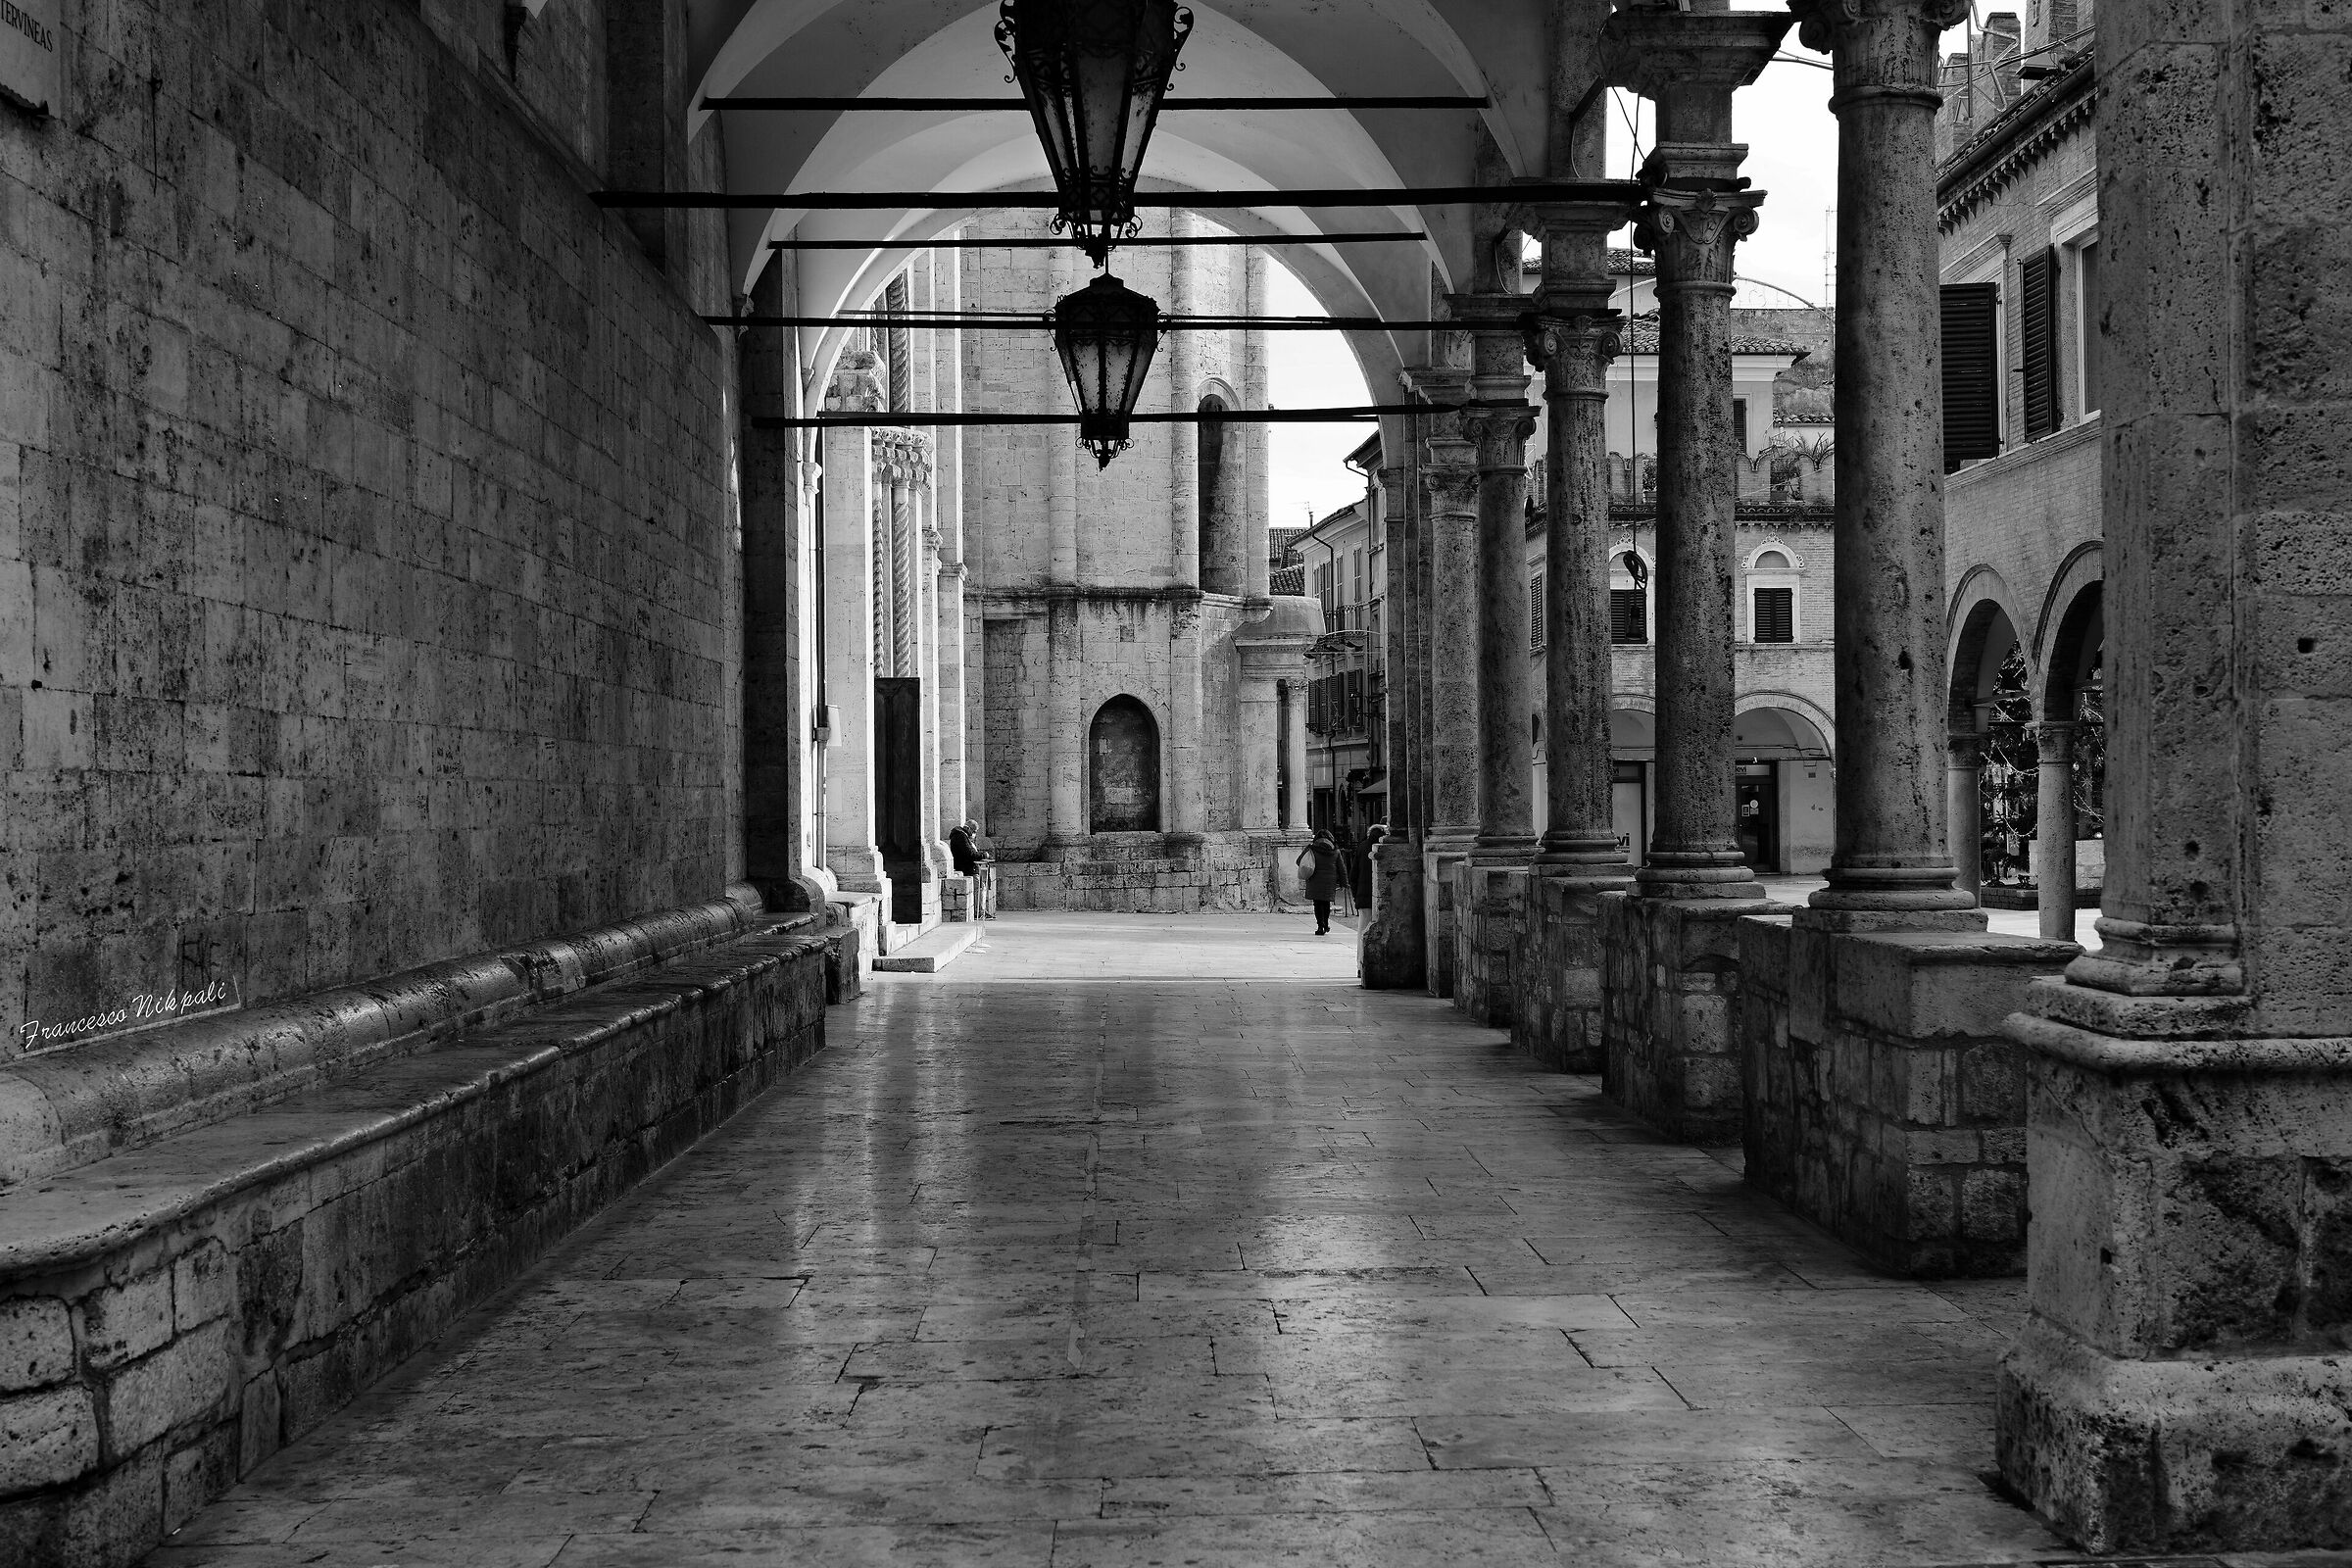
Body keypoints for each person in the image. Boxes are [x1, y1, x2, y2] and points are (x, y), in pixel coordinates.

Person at [1296, 831, 1348, 936]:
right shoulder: (1335, 851)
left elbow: (1299, 861)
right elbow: (1342, 869)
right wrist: (1344, 883)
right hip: (1329, 881)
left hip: (1315, 879)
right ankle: (1326, 923)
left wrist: (1309, 854)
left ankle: (1320, 926)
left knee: (1317, 903)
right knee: (1326, 903)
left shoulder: (1312, 849)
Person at [948, 820, 994, 918]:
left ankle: (981, 911)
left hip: (970, 868)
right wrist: (983, 855)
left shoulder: (963, 836)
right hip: (967, 868)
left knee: (980, 888)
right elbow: (970, 854)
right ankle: (978, 912)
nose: (974, 834)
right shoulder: (960, 836)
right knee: (978, 889)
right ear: (968, 828)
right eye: (974, 831)